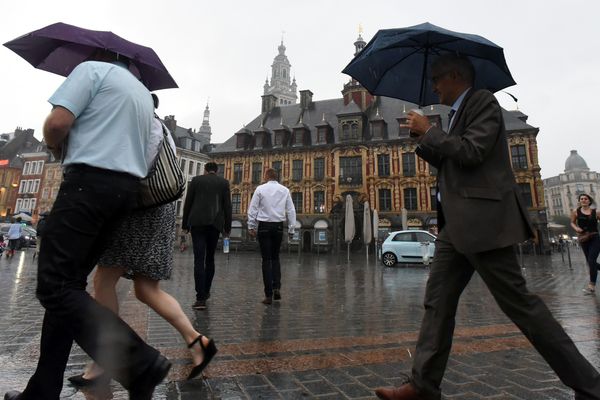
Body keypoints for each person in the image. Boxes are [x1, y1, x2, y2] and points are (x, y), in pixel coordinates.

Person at [374, 53, 600, 400]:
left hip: (481, 221)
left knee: (520, 305)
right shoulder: (457, 114)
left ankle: (590, 385)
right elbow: (456, 163)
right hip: (455, 225)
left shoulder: (482, 102)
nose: (433, 85)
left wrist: (431, 131)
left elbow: (472, 152)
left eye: (436, 78)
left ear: (454, 75)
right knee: (437, 303)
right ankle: (422, 386)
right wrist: (425, 140)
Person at [5, 50, 171, 400]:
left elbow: (57, 124)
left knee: (54, 286)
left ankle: (138, 361)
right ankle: (42, 390)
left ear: (95, 53)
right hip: (124, 193)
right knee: (70, 287)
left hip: (87, 185)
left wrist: (55, 148)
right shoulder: (141, 93)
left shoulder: (91, 70)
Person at [67, 94, 217, 389]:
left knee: (103, 281)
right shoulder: (163, 130)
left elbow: (126, 170)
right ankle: (198, 341)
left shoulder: (137, 125)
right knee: (146, 288)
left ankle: (102, 362)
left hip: (138, 210)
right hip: (160, 211)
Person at [182, 161, 232, 310]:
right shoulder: (223, 183)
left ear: (205, 170)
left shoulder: (197, 180)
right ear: (217, 171)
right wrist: (227, 227)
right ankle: (207, 290)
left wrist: (185, 224)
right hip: (215, 224)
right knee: (210, 258)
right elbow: (227, 206)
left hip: (197, 224)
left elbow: (188, 203)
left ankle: (200, 298)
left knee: (198, 259)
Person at [247, 168, 296, 305]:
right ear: (276, 177)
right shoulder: (285, 190)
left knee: (266, 260)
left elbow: (253, 209)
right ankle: (277, 287)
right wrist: (291, 228)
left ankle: (268, 295)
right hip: (278, 227)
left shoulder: (260, 189)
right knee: (275, 258)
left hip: (264, 227)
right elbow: (291, 210)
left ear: (266, 176)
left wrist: (251, 226)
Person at [570, 193, 600, 295]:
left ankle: (591, 286)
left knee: (592, 260)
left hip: (595, 238)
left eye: (585, 199)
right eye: (581, 199)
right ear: (579, 201)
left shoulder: (596, 212)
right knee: (590, 262)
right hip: (583, 239)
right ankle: (592, 284)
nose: (583, 200)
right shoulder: (576, 212)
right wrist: (576, 228)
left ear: (589, 201)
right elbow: (572, 222)